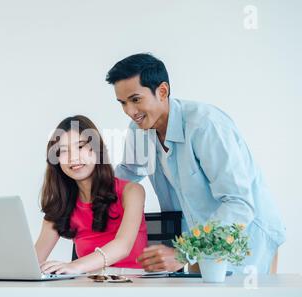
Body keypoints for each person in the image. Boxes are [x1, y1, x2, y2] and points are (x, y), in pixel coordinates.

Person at [106, 53, 286, 274]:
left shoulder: (205, 126)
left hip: (246, 241)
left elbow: (239, 204)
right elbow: (127, 174)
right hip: (195, 241)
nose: (130, 112)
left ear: (162, 91)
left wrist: (185, 252)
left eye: (135, 100)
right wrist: (84, 198)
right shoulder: (139, 130)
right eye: (122, 103)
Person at [35, 115, 148, 274]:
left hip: (133, 286)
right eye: (63, 151)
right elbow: (35, 259)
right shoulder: (60, 205)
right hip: (89, 287)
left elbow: (123, 246)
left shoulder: (132, 191)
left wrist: (74, 266)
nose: (73, 157)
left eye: (80, 147)